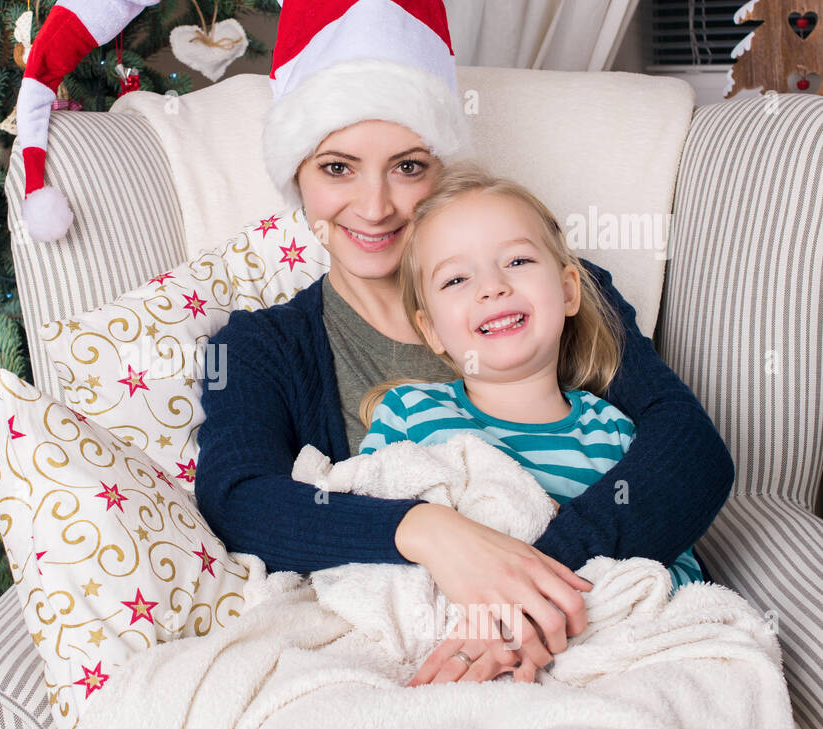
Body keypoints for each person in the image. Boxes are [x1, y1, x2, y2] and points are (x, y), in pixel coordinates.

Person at [193, 0, 734, 684]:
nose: (375, 204)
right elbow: (236, 495)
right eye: (337, 168)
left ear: (441, 167)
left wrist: (531, 588)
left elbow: (691, 448)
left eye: (408, 166)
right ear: (295, 175)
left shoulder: (540, 291)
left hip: (582, 624)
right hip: (421, 653)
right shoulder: (261, 345)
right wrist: (429, 530)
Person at [349, 164, 708, 683]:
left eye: (517, 260)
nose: (492, 287)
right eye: (456, 279)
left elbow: (664, 573)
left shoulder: (616, 434)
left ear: (567, 291)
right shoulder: (408, 413)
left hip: (577, 655)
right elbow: (365, 530)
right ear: (430, 329)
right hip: (442, 650)